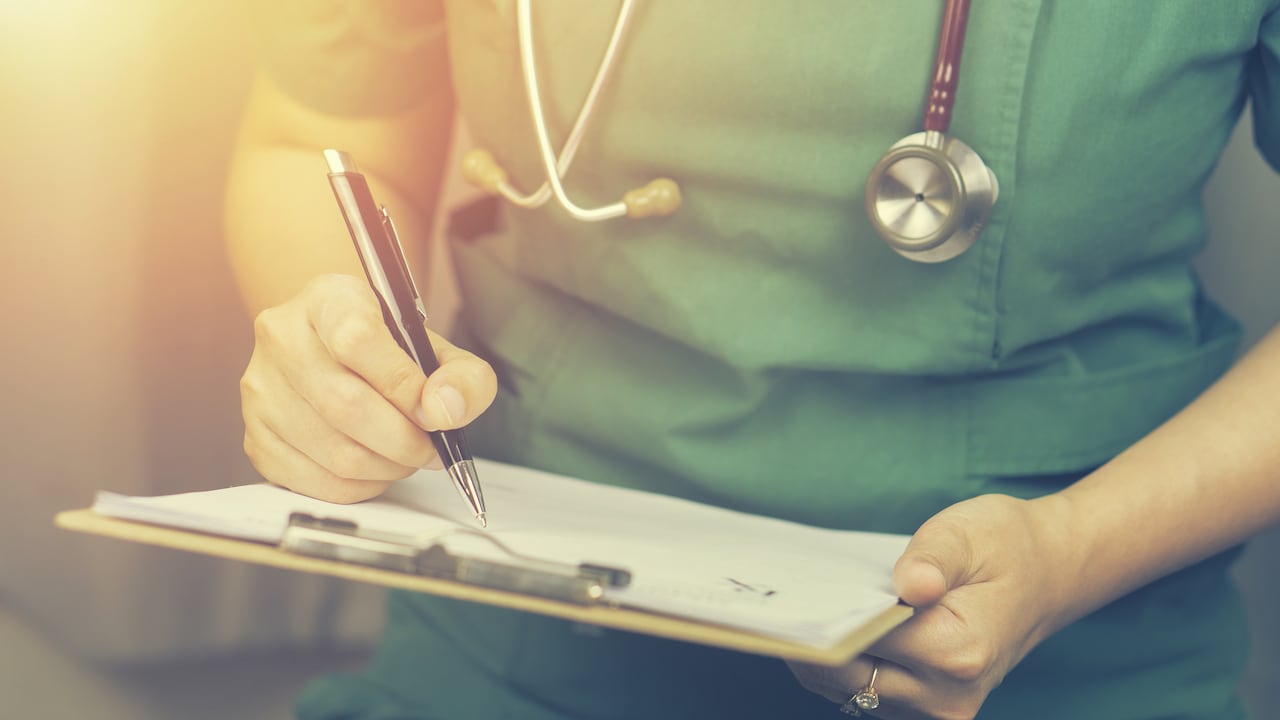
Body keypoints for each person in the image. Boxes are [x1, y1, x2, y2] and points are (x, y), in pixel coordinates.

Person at [225, 2, 1280, 718]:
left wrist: (1071, 552)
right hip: (519, 621)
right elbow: (323, 127)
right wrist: (341, 349)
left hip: (1067, 648)